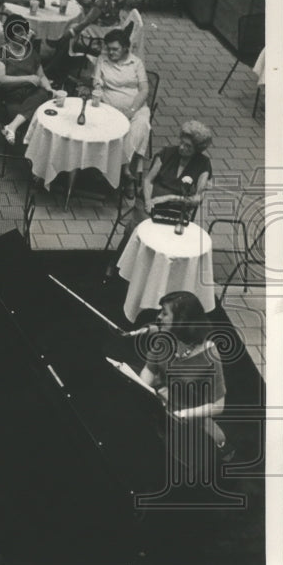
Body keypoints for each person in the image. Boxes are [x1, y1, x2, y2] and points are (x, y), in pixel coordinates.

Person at [139, 291, 233, 461]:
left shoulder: (209, 355)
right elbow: (149, 369)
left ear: (182, 320)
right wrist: (141, 388)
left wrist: (183, 414)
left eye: (164, 313)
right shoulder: (165, 337)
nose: (158, 317)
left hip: (188, 417)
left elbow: (218, 406)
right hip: (161, 402)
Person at [108, 120, 213, 273]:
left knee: (169, 238)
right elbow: (148, 180)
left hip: (176, 208)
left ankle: (155, 272)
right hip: (149, 200)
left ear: (197, 149)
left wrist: (169, 198)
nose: (182, 148)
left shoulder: (203, 164)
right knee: (138, 230)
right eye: (182, 143)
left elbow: (198, 198)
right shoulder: (167, 153)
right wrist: (149, 201)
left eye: (188, 147)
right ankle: (118, 264)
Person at [92, 28, 151, 196]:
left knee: (141, 126)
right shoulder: (102, 60)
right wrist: (97, 89)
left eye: (115, 49)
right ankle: (126, 172)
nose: (111, 52)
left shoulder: (136, 63)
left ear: (125, 48)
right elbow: (97, 83)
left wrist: (132, 110)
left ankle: (122, 169)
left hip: (136, 107)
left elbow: (144, 90)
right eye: (108, 48)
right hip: (110, 107)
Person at [0, 16, 54, 145]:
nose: (25, 37)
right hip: (11, 98)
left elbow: (42, 76)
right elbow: (0, 80)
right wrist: (28, 78)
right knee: (38, 116)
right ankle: (28, 155)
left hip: (31, 96)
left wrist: (50, 89)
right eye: (20, 33)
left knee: (44, 94)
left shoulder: (30, 52)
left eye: (26, 33)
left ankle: (12, 127)